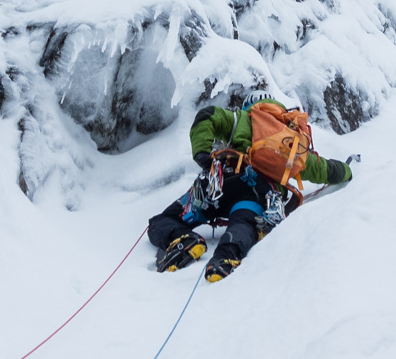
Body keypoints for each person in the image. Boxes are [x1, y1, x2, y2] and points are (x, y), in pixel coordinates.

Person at [148, 98, 355, 282]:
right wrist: (347, 170)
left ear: (251, 106)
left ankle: (183, 238)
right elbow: (324, 169)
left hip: (221, 183)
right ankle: (224, 258)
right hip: (260, 194)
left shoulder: (241, 118)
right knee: (244, 222)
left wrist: (202, 153)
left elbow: (208, 115)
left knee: (164, 220)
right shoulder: (291, 141)